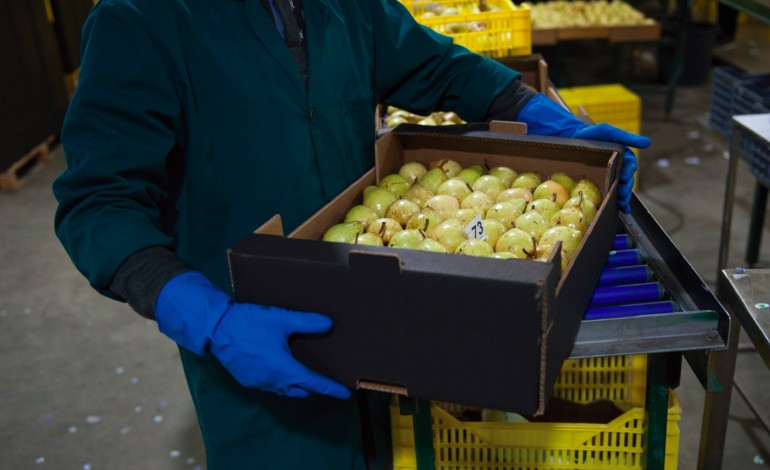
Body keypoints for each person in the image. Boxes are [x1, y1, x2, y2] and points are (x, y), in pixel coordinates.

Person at [52, 0, 651, 468]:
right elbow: (99, 202)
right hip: (251, 337)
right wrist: (206, 318)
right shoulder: (140, 22)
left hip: (374, 313)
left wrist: (538, 112)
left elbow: (433, 64)